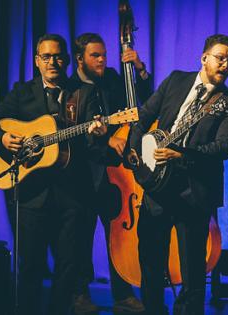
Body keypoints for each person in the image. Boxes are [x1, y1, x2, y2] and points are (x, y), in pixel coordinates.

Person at [0, 34, 107, 315]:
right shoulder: (22, 93)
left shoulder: (83, 93)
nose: (52, 62)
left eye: (58, 56)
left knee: (68, 266)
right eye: (46, 57)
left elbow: (93, 148)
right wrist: (2, 140)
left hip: (72, 196)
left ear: (67, 60)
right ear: (37, 61)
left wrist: (97, 133)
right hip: (31, 195)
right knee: (31, 267)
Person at [126, 34, 228, 315]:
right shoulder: (176, 80)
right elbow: (143, 117)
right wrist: (134, 153)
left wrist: (182, 156)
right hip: (156, 187)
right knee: (151, 263)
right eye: (220, 57)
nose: (225, 64)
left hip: (194, 191)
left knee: (192, 271)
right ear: (204, 58)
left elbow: (224, 147)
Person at [69, 32, 153, 314]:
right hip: (82, 175)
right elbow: (70, 134)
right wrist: (106, 139)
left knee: (117, 238)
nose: (103, 60)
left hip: (118, 176)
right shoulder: (69, 90)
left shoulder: (115, 79)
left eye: (104, 54)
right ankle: (79, 293)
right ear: (79, 59)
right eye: (95, 56)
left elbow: (146, 102)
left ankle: (123, 293)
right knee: (80, 238)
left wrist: (138, 68)